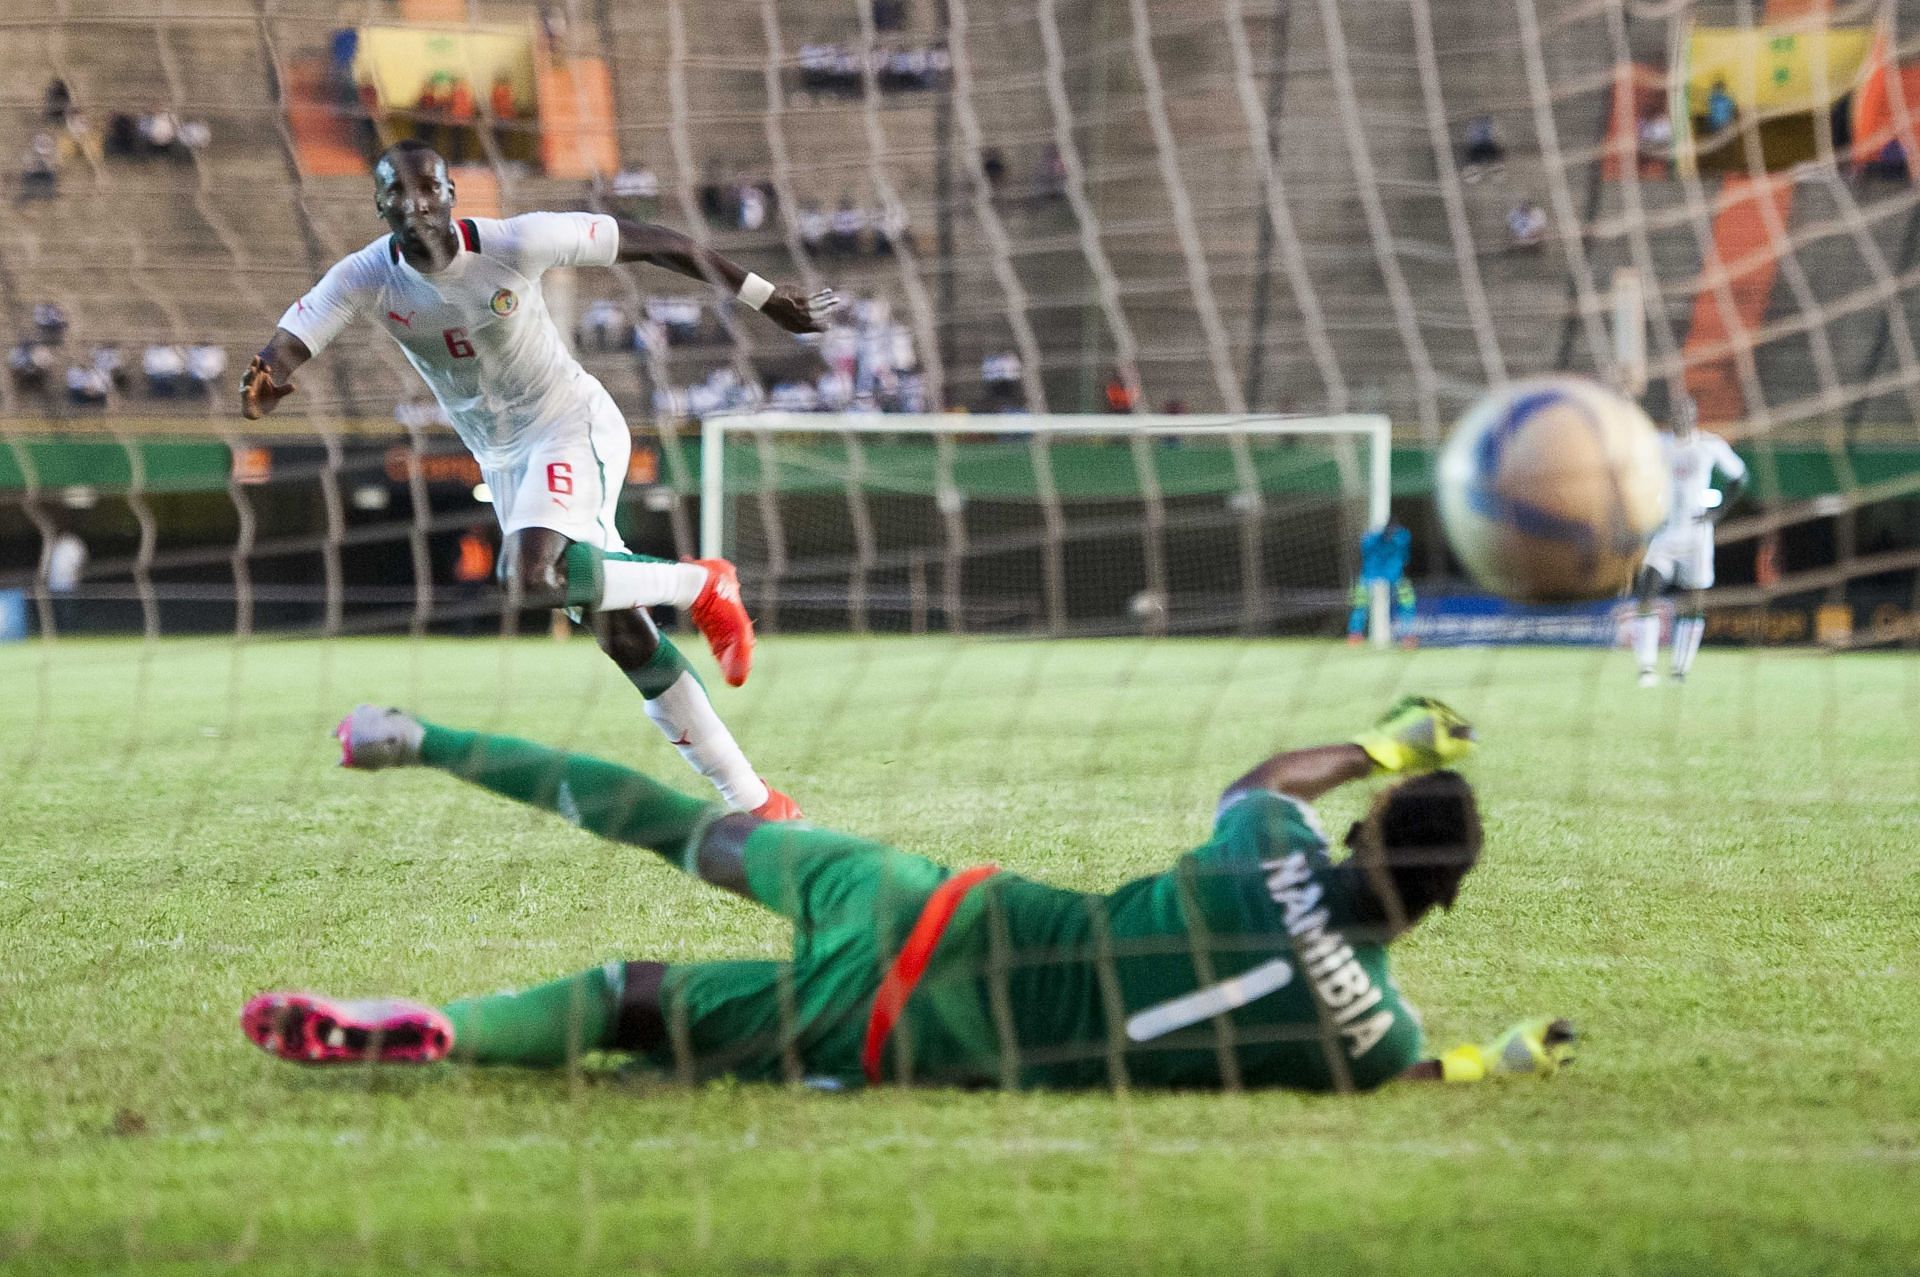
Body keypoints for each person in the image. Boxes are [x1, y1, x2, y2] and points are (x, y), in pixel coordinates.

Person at [244, 697, 1575, 1092]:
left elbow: (1260, 770)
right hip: (901, 1038)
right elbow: (1409, 1071)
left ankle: (416, 738)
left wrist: (1396, 741)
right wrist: (1491, 1060)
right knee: (624, 1002)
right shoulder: (1369, 1036)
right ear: (1440, 908)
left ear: (1365, 822)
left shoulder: (1270, 845)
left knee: (682, 830)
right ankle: (450, 1033)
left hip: (919, 902)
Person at [240, 140, 839, 817]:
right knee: (622, 633)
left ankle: (703, 582)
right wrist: (264, 380)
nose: (417, 205)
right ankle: (755, 799)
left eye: (429, 188)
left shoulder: (518, 242)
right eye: (399, 194)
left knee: (527, 579)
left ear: (451, 193)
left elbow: (654, 242)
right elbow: (289, 343)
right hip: (504, 463)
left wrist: (763, 297)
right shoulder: (365, 276)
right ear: (380, 205)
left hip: (569, 426)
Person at [1633, 393, 1747, 687]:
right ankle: (1646, 669)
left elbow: (1740, 478)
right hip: (1665, 533)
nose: (1681, 416)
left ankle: (1679, 671)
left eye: (1687, 411)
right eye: (1677, 411)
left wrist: (1717, 513)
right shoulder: (1659, 445)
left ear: (1695, 416)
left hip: (1697, 537)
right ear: (1671, 416)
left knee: (1693, 602)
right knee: (1647, 589)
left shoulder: (1709, 446)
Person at [1346, 522, 1415, 647]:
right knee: (1359, 603)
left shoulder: (1400, 538)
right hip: (1373, 575)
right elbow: (1406, 558)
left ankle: (1408, 636)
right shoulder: (1374, 538)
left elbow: (1405, 557)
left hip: (1389, 576)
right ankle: (1355, 634)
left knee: (1407, 602)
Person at [45, 527, 87, 634]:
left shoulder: (74, 543)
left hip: (68, 583)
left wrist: (76, 576)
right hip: (55, 584)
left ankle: (71, 631)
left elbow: (80, 562)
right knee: (58, 610)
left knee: (68, 610)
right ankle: (62, 632)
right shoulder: (56, 543)